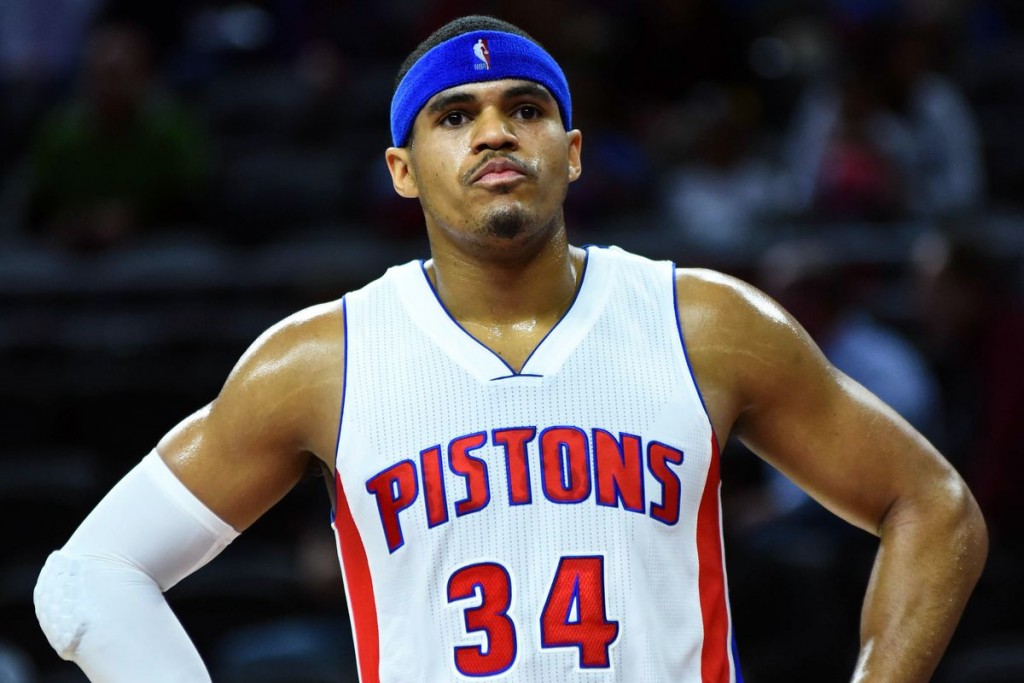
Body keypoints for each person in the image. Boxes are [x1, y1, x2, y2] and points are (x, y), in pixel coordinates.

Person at [33, 15, 987, 683]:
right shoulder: (323, 358)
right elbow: (86, 579)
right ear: (403, 171)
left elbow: (935, 505)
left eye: (525, 108)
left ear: (571, 150)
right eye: (456, 115)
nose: (495, 130)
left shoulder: (704, 321)